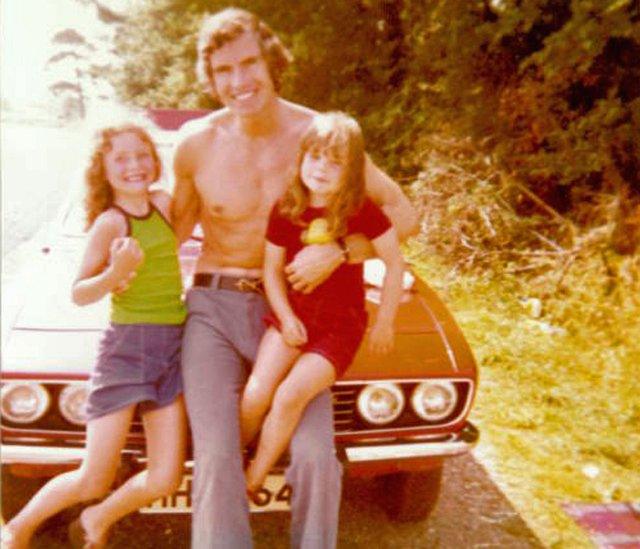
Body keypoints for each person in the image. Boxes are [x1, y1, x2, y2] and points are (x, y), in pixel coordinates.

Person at [172, 7, 418, 549]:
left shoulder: (322, 137)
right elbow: (171, 232)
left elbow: (402, 210)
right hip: (214, 307)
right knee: (214, 453)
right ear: (210, 80)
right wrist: (118, 254)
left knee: (314, 456)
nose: (238, 82)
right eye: (222, 72)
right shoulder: (195, 144)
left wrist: (341, 251)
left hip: (303, 316)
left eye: (248, 63)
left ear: (271, 59)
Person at [1, 124, 187, 549]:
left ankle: (96, 519)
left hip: (171, 350)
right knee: (93, 476)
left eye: (142, 154)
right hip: (125, 351)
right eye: (120, 159)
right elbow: (80, 292)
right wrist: (115, 274)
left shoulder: (163, 203)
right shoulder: (109, 223)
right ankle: (17, 527)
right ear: (102, 170)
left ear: (155, 161)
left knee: (165, 476)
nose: (134, 165)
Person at [240, 111, 405, 494]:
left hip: (340, 326)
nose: (322, 168)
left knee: (289, 395)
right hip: (293, 315)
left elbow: (395, 265)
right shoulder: (286, 209)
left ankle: (253, 479)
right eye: (315, 156)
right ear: (300, 159)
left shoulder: (362, 210)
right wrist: (284, 316)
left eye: (335, 162)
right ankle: (235, 457)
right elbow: (271, 271)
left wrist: (385, 321)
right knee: (256, 393)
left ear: (351, 170)